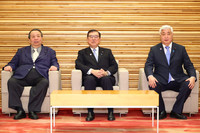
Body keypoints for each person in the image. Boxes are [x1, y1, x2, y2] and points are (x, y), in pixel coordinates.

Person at [3, 28, 59, 120]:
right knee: (12, 81)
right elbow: (13, 62)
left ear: (42, 38)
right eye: (33, 37)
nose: (36, 38)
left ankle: (32, 110)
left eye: (38, 36)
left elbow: (54, 62)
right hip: (23, 76)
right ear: (29, 40)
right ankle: (20, 110)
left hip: (40, 76)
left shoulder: (50, 51)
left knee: (44, 82)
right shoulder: (21, 51)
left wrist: (54, 66)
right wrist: (9, 67)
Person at [144, 25, 196, 120]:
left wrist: (192, 76)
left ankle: (176, 111)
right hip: (161, 79)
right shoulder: (154, 49)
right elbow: (148, 65)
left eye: (168, 34)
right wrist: (150, 76)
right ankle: (161, 111)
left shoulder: (180, 49)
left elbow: (188, 65)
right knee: (152, 84)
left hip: (178, 79)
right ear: (160, 36)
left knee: (189, 83)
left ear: (172, 35)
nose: (166, 36)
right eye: (163, 34)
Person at [75, 29, 118, 121]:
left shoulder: (107, 51)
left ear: (99, 39)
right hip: (90, 77)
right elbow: (78, 64)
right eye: (91, 37)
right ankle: (90, 112)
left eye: (96, 37)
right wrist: (92, 71)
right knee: (89, 80)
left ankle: (110, 111)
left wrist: (106, 72)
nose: (93, 39)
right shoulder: (82, 52)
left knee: (106, 80)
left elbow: (114, 65)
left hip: (105, 77)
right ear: (87, 39)